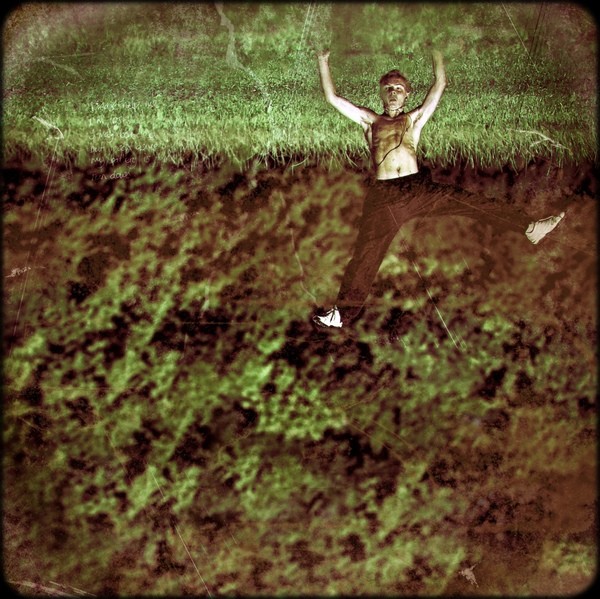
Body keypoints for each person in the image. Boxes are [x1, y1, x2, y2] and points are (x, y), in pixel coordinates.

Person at [312, 49, 565, 329]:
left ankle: (529, 228)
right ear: (381, 93)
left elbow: (440, 84)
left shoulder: (413, 120)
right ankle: (343, 313)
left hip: (418, 191)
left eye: (399, 89)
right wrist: (323, 60)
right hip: (385, 197)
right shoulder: (370, 121)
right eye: (388, 88)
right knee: (367, 252)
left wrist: (437, 50)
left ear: (407, 95)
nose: (394, 93)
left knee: (469, 202)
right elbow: (333, 98)